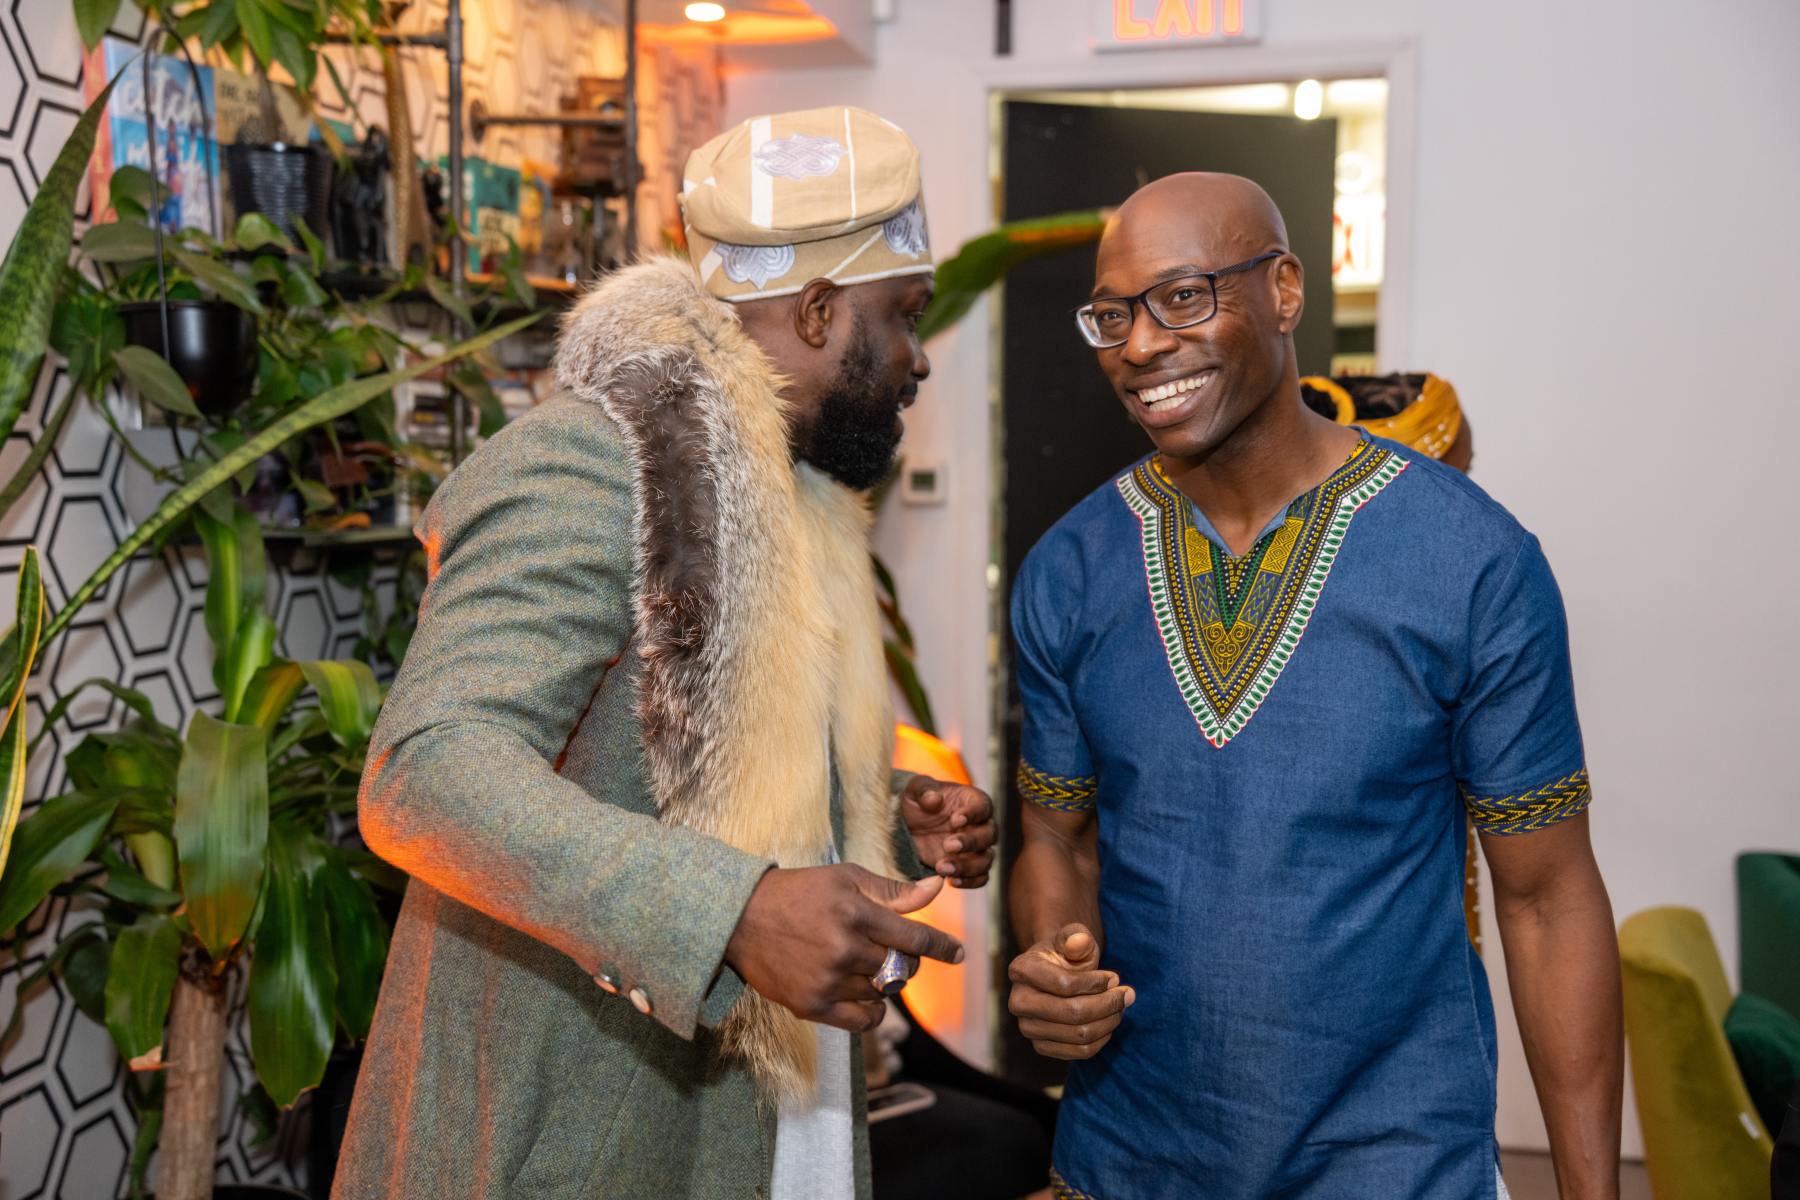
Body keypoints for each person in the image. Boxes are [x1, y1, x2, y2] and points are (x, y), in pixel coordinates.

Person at [334, 106, 997, 1200]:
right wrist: (733, 911)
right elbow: (427, 768)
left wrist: (874, 805)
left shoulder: (790, 492)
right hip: (580, 1143)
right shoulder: (587, 463)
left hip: (769, 1127)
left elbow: (684, 760)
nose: (919, 359)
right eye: (907, 315)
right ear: (820, 310)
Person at [1005, 173, 1621, 1198]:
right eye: (1112, 316)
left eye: (1184, 297)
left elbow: (1549, 900)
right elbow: (1055, 837)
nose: (1141, 345)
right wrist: (1056, 956)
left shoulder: (1472, 562)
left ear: (1284, 291)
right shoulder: (1070, 571)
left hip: (1391, 1160)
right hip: (1132, 1158)